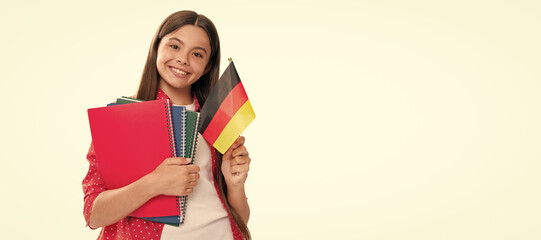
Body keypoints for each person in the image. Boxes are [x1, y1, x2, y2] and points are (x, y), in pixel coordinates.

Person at [82, 10, 251, 240]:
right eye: (175, 46)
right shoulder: (122, 117)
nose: (183, 59)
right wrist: (154, 184)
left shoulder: (218, 120)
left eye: (198, 54)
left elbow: (240, 220)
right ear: (157, 47)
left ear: (208, 65)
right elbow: (94, 214)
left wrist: (235, 184)